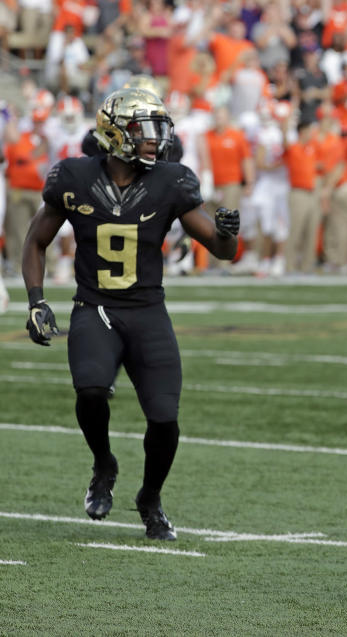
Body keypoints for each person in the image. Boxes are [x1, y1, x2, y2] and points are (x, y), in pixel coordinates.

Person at [21, 88, 239, 540]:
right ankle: (103, 462)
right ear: (115, 132)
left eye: (158, 130)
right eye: (144, 130)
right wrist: (37, 300)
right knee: (91, 391)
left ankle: (150, 498)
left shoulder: (171, 180)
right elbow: (36, 240)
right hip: (94, 306)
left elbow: (220, 251)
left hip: (147, 311)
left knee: (164, 419)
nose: (154, 140)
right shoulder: (74, 177)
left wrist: (226, 234)